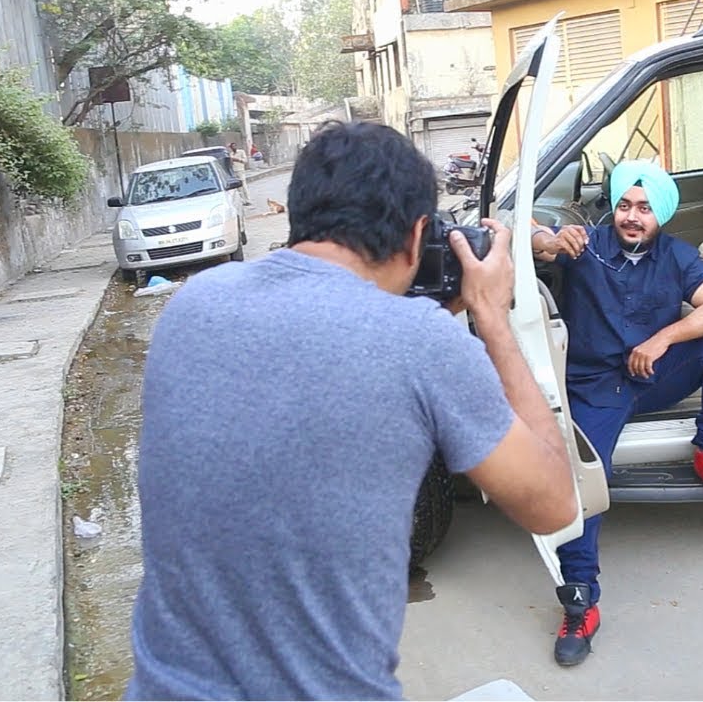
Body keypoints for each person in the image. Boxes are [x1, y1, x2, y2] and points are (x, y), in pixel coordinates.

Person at [126, 121, 578, 700]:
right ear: (418, 235)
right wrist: (491, 316)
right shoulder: (421, 346)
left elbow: (332, 359)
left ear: (298, 211)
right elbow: (555, 504)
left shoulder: (191, 305)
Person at [529, 159, 703, 667]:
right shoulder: (583, 244)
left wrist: (663, 339)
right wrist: (546, 241)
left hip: (651, 374)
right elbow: (521, 232)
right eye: (624, 205)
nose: (632, 217)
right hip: (596, 386)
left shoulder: (677, 257)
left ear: (662, 213)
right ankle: (580, 602)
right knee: (583, 482)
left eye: (644, 208)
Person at [228, 141, 250, 206]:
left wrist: (237, 159)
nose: (233, 148)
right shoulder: (231, 154)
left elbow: (245, 161)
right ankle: (243, 201)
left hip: (240, 170)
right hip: (234, 171)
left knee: (244, 186)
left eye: (234, 146)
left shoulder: (241, 152)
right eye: (232, 147)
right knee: (238, 188)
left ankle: (248, 200)